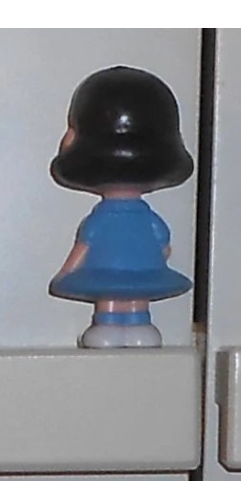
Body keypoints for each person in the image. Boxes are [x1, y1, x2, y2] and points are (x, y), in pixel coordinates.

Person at [49, 65, 194, 348]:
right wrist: (157, 257)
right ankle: (131, 325)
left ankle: (116, 324)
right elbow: (164, 245)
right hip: (135, 270)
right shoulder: (135, 218)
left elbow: (84, 247)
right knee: (125, 295)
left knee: (120, 296)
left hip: (125, 271)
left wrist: (67, 272)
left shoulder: (103, 218)